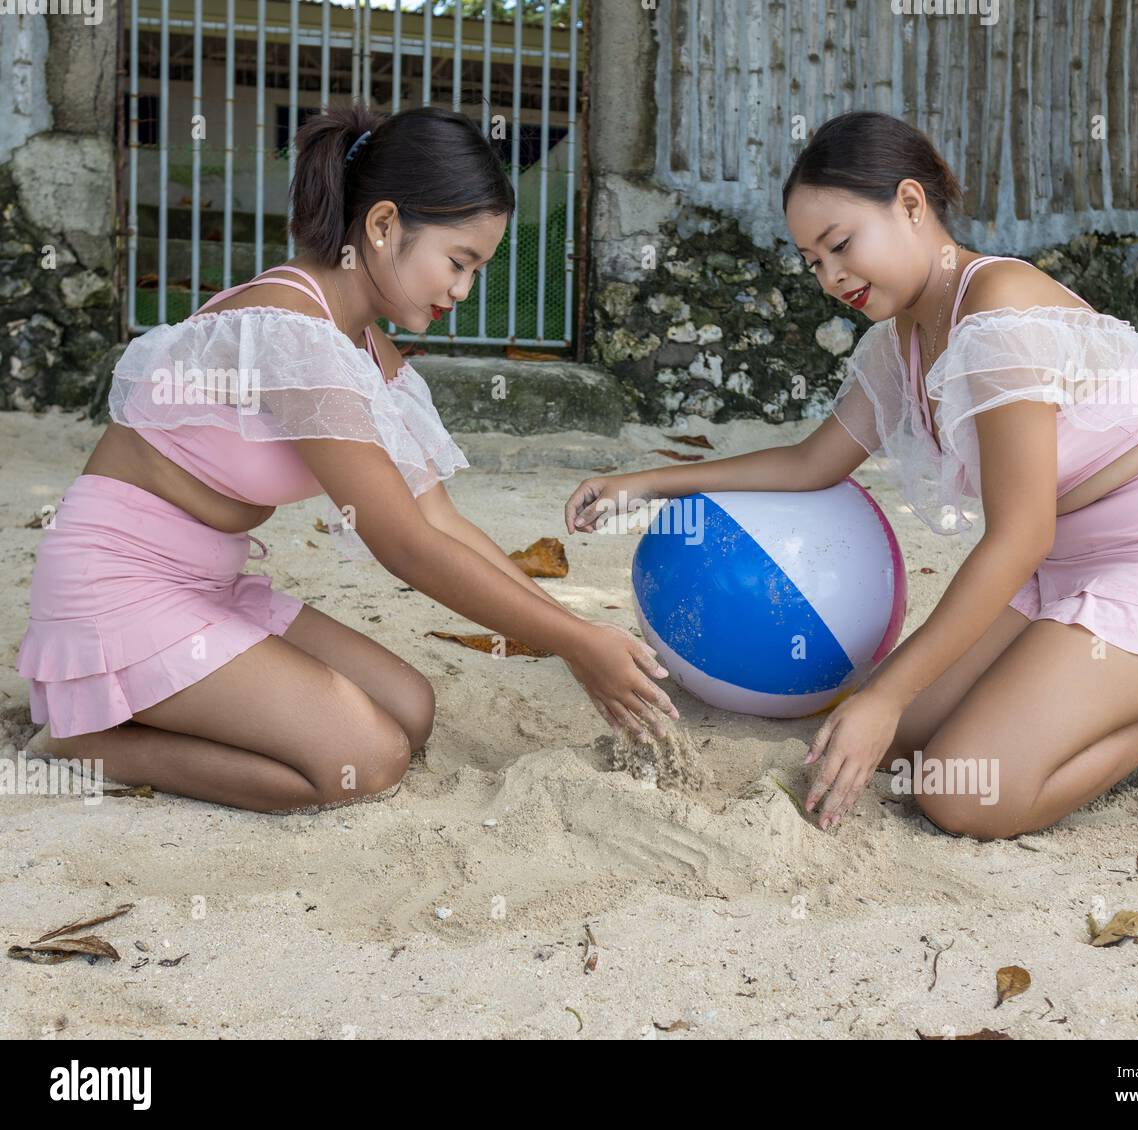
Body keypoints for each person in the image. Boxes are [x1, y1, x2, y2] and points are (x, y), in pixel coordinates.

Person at [563, 110, 1138, 839]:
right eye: (812, 260)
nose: (830, 275)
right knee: (903, 748)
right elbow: (812, 463)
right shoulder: (897, 343)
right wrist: (649, 483)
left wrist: (884, 696)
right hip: (1062, 563)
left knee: (961, 793)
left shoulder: (998, 310)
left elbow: (1020, 534)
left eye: (841, 244)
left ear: (911, 205)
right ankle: (1114, 688)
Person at [18, 104, 677, 814]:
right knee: (366, 760)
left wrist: (573, 637)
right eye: (458, 262)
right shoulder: (292, 332)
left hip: (208, 587)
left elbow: (440, 522)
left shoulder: (363, 348)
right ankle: (84, 745)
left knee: (411, 708)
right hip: (118, 590)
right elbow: (404, 545)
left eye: (478, 270)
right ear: (384, 225)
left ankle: (157, 704)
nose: (463, 291)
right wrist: (577, 642)